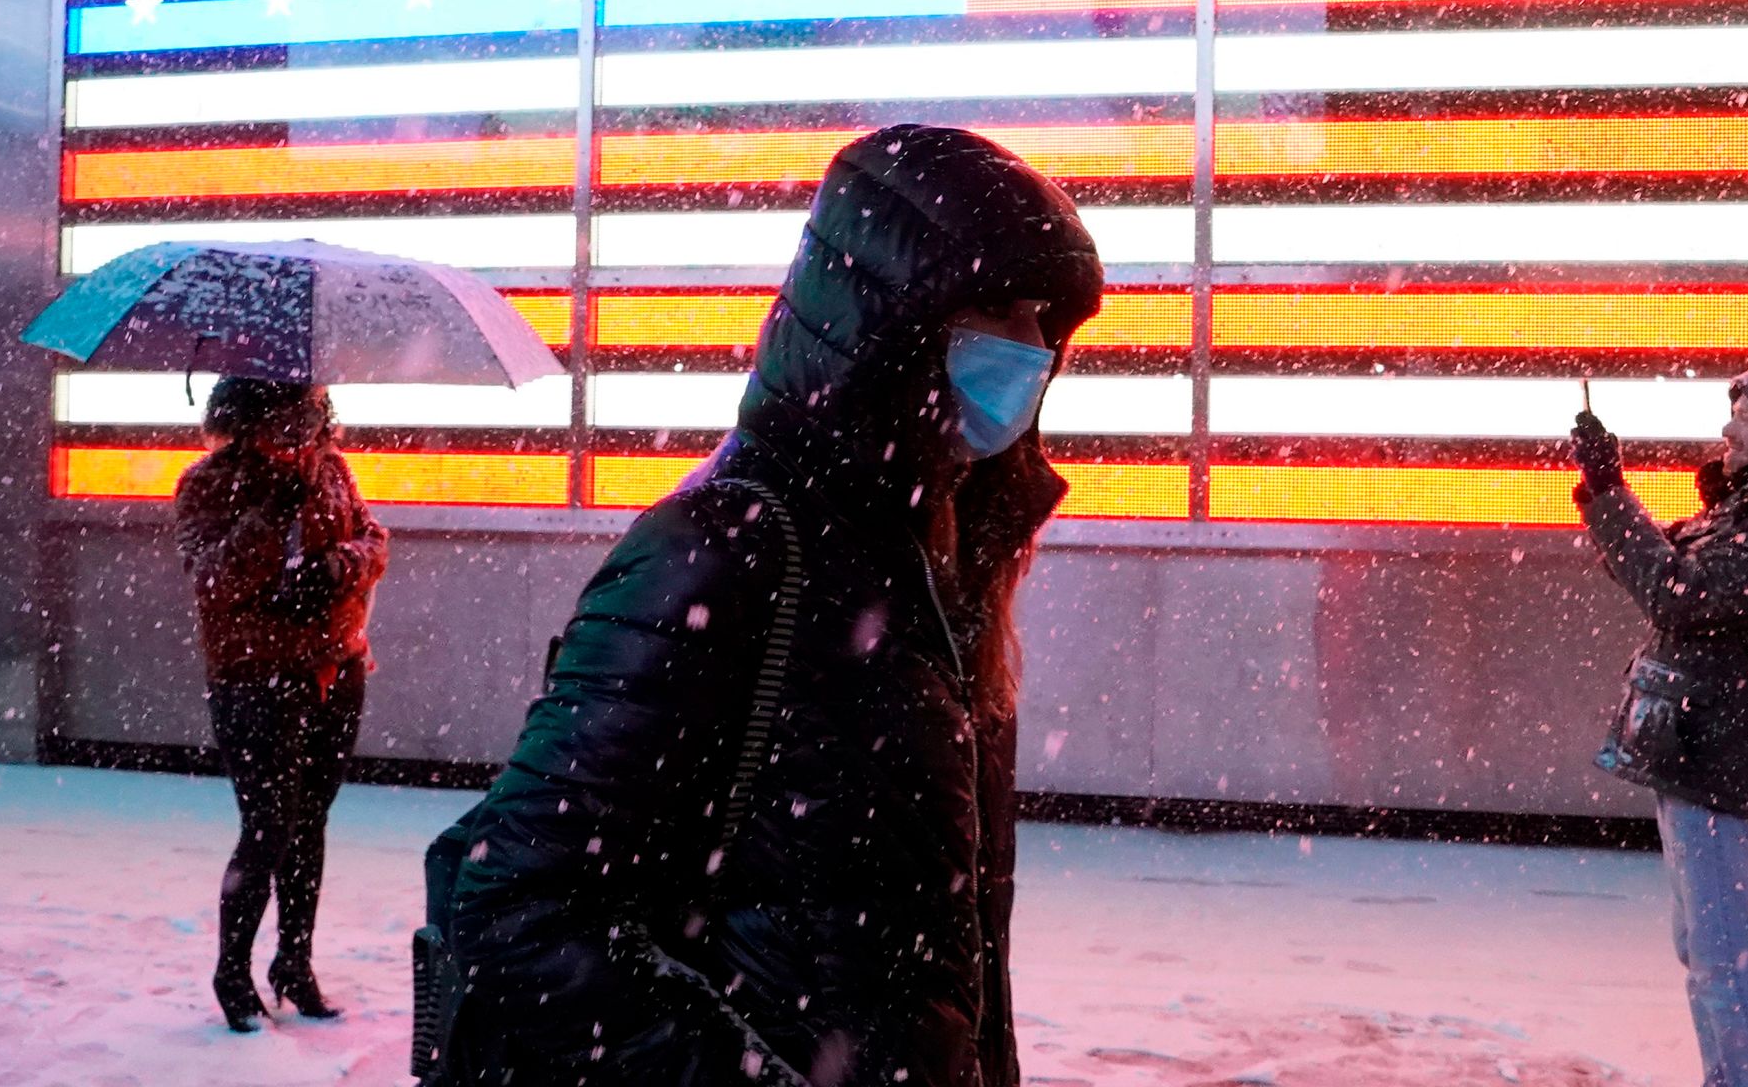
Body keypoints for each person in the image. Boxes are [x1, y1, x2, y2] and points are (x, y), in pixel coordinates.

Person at [435, 124, 1104, 1086]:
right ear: (888, 321)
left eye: (1044, 318)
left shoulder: (924, 564)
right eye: (996, 309)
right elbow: (520, 906)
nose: (1033, 350)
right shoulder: (725, 551)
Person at [1569, 360, 1748, 1087]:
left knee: (1722, 948)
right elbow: (1656, 570)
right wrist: (1612, 494)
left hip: (1723, 754)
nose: (1729, 429)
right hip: (1704, 748)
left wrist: (1610, 492)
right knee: (1706, 943)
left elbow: (1672, 592)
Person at [172, 377, 388, 1032]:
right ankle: (232, 970)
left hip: (336, 668)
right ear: (245, 417)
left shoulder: (333, 471)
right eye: (290, 415)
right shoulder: (208, 484)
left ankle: (294, 961)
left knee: (310, 820)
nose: (306, 428)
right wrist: (267, 522)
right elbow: (211, 578)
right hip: (254, 676)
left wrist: (332, 570)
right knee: (267, 825)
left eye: (314, 413)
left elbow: (374, 541)